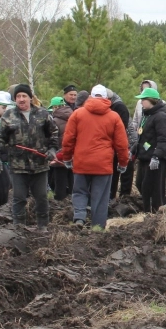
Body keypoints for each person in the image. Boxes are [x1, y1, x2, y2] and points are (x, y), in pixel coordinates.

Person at [61, 85, 130, 228]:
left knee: (79, 191)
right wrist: (123, 163)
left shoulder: (78, 114)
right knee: (100, 198)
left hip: (81, 162)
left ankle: (79, 217)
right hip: (103, 165)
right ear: (106, 97)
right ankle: (97, 228)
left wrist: (67, 158)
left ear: (90, 97)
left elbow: (68, 139)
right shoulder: (114, 116)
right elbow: (122, 144)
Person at [0, 83, 59, 231]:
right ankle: (18, 228)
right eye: (18, 96)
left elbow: (54, 133)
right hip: (18, 166)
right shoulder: (8, 116)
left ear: (30, 97)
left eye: (24, 96)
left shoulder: (43, 114)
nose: (21, 99)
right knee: (19, 198)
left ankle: (43, 226)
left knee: (42, 197)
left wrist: (53, 150)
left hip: (40, 165)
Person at [135, 86, 166, 212]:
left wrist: (156, 156)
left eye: (143, 99)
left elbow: (163, 139)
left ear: (151, 100)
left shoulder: (161, 117)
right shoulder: (147, 115)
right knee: (140, 184)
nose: (141, 102)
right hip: (144, 157)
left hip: (155, 159)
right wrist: (134, 150)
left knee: (153, 189)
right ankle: (148, 212)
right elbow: (143, 137)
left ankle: (154, 213)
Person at [125, 79, 158, 193]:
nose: (144, 91)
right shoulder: (140, 103)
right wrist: (134, 143)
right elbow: (134, 122)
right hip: (141, 141)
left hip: (151, 146)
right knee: (140, 182)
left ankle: (154, 204)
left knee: (148, 182)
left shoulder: (160, 108)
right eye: (143, 88)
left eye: (147, 88)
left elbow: (164, 133)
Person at [107, 88, 139, 201]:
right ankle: (112, 196)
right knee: (114, 169)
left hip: (128, 142)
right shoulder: (110, 105)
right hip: (118, 142)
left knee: (126, 170)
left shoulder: (119, 106)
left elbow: (122, 127)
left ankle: (125, 197)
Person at [49, 96, 74, 202]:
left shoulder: (54, 121)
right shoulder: (74, 116)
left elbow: (52, 139)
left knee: (59, 183)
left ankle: (60, 205)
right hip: (73, 155)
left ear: (55, 107)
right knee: (72, 181)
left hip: (59, 156)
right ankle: (74, 203)